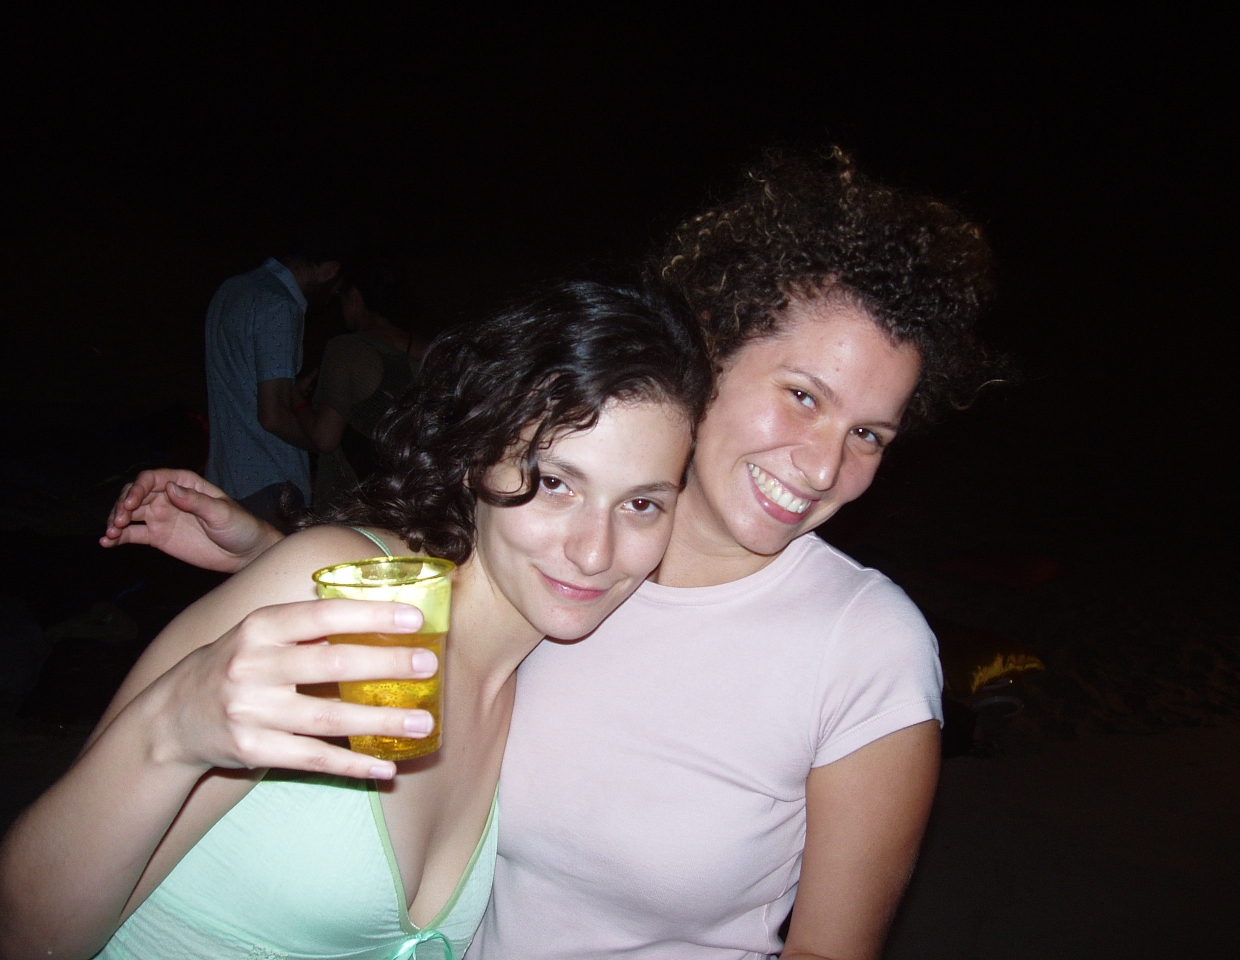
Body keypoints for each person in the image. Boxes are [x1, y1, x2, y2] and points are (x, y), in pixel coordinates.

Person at [95, 147, 999, 959]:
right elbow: (462, 591)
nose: (825, 466)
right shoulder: (585, 569)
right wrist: (275, 558)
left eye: (870, 435)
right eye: (804, 396)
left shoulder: (864, 643)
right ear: (715, 345)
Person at [0, 282, 712, 960]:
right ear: (476, 458)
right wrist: (172, 731)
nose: (595, 552)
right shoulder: (331, 604)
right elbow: (26, 934)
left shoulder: (545, 675)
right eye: (555, 482)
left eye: (642, 504)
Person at [204, 239, 342, 525]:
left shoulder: (231, 289)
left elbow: (243, 382)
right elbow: (273, 416)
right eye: (338, 286)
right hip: (271, 483)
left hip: (224, 482)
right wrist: (324, 444)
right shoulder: (279, 303)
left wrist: (292, 392)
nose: (334, 295)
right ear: (329, 271)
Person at [294, 250, 427, 510]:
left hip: (361, 511)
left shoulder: (347, 349)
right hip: (421, 504)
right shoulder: (435, 352)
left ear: (354, 296)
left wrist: (297, 401)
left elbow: (325, 438)